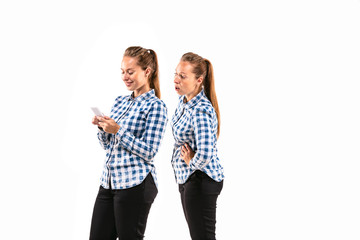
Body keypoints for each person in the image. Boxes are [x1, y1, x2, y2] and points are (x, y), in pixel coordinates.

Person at [89, 46, 168, 240]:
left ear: (147, 71)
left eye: (130, 72)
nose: (125, 76)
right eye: (123, 72)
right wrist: (103, 128)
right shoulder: (119, 101)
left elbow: (149, 151)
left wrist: (119, 130)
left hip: (136, 183)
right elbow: (108, 146)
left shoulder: (156, 106)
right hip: (109, 182)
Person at [171, 52, 225, 240]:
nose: (176, 80)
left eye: (183, 76)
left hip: (201, 180)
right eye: (176, 74)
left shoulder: (200, 109)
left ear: (199, 80)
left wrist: (191, 162)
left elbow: (206, 153)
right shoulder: (184, 101)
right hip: (189, 178)